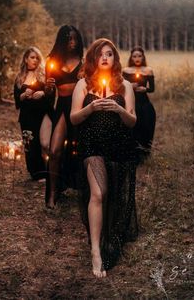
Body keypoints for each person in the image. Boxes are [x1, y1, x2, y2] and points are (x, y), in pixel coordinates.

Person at [70, 38, 138, 278]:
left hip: (119, 146)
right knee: (99, 193)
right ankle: (95, 250)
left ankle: (110, 237)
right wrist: (91, 108)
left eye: (109, 54)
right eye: (101, 54)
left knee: (116, 196)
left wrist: (119, 109)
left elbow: (132, 121)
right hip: (93, 146)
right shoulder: (83, 84)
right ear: (93, 58)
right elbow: (74, 119)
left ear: (115, 58)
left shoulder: (125, 85)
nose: (105, 58)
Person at [41, 25, 84, 209]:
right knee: (54, 151)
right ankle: (52, 194)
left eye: (75, 38)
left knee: (82, 150)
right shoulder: (52, 62)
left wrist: (85, 79)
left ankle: (85, 190)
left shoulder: (83, 62)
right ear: (61, 40)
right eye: (68, 39)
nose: (72, 42)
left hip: (79, 107)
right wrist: (48, 88)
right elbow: (49, 94)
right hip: (62, 106)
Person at [14, 46, 54, 181]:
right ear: (26, 59)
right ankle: (37, 173)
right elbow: (17, 101)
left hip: (43, 112)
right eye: (32, 57)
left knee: (45, 144)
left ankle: (54, 170)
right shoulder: (20, 78)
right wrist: (24, 95)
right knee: (30, 145)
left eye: (37, 58)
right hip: (27, 116)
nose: (35, 60)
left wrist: (43, 93)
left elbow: (51, 94)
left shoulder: (44, 74)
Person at [123, 46, 156, 164]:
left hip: (144, 104)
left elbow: (152, 89)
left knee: (146, 128)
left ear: (143, 57)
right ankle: (133, 155)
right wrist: (129, 86)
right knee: (133, 129)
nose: (137, 58)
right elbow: (121, 88)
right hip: (131, 103)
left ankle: (144, 155)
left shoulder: (148, 70)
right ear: (131, 58)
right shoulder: (126, 70)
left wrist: (144, 89)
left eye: (139, 56)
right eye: (135, 56)